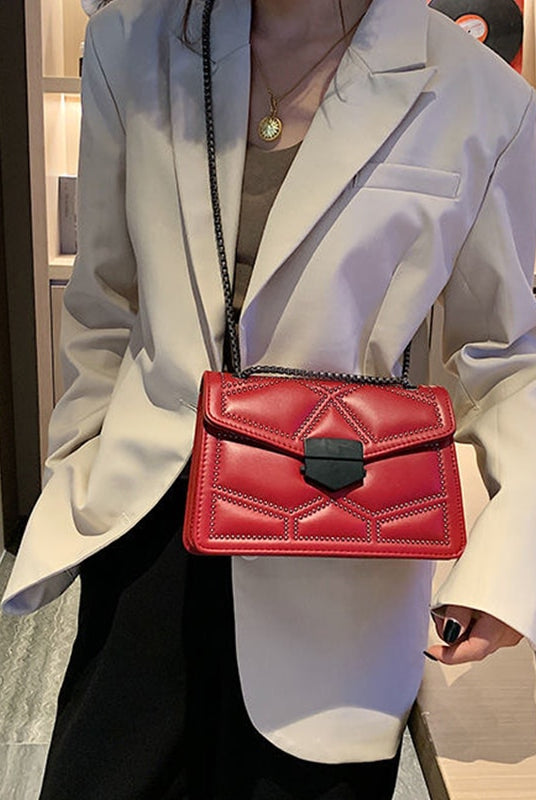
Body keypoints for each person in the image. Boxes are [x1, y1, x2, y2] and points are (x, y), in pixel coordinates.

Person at [3, 0, 536, 797]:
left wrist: (508, 565)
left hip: (342, 542)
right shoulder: (131, 41)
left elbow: (510, 356)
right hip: (148, 529)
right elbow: (105, 294)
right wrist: (79, 465)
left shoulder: (480, 95)